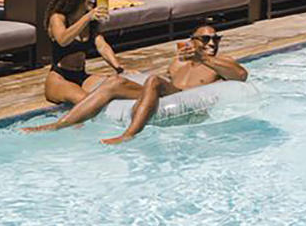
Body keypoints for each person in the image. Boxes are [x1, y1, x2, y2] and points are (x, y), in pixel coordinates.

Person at [24, 23, 248, 142]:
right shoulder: (179, 62)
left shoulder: (220, 62)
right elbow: (167, 78)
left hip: (188, 100)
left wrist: (204, 58)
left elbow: (241, 76)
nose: (212, 42)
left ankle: (129, 134)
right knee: (115, 82)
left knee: (153, 82)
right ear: (191, 41)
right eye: (205, 39)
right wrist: (126, 71)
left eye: (216, 38)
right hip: (170, 93)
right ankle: (60, 124)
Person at [42, 0, 125, 106]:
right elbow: (63, 39)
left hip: (81, 75)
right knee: (87, 104)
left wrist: (119, 69)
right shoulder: (58, 17)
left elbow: (102, 46)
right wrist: (88, 17)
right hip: (60, 78)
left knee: (117, 87)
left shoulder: (90, 23)